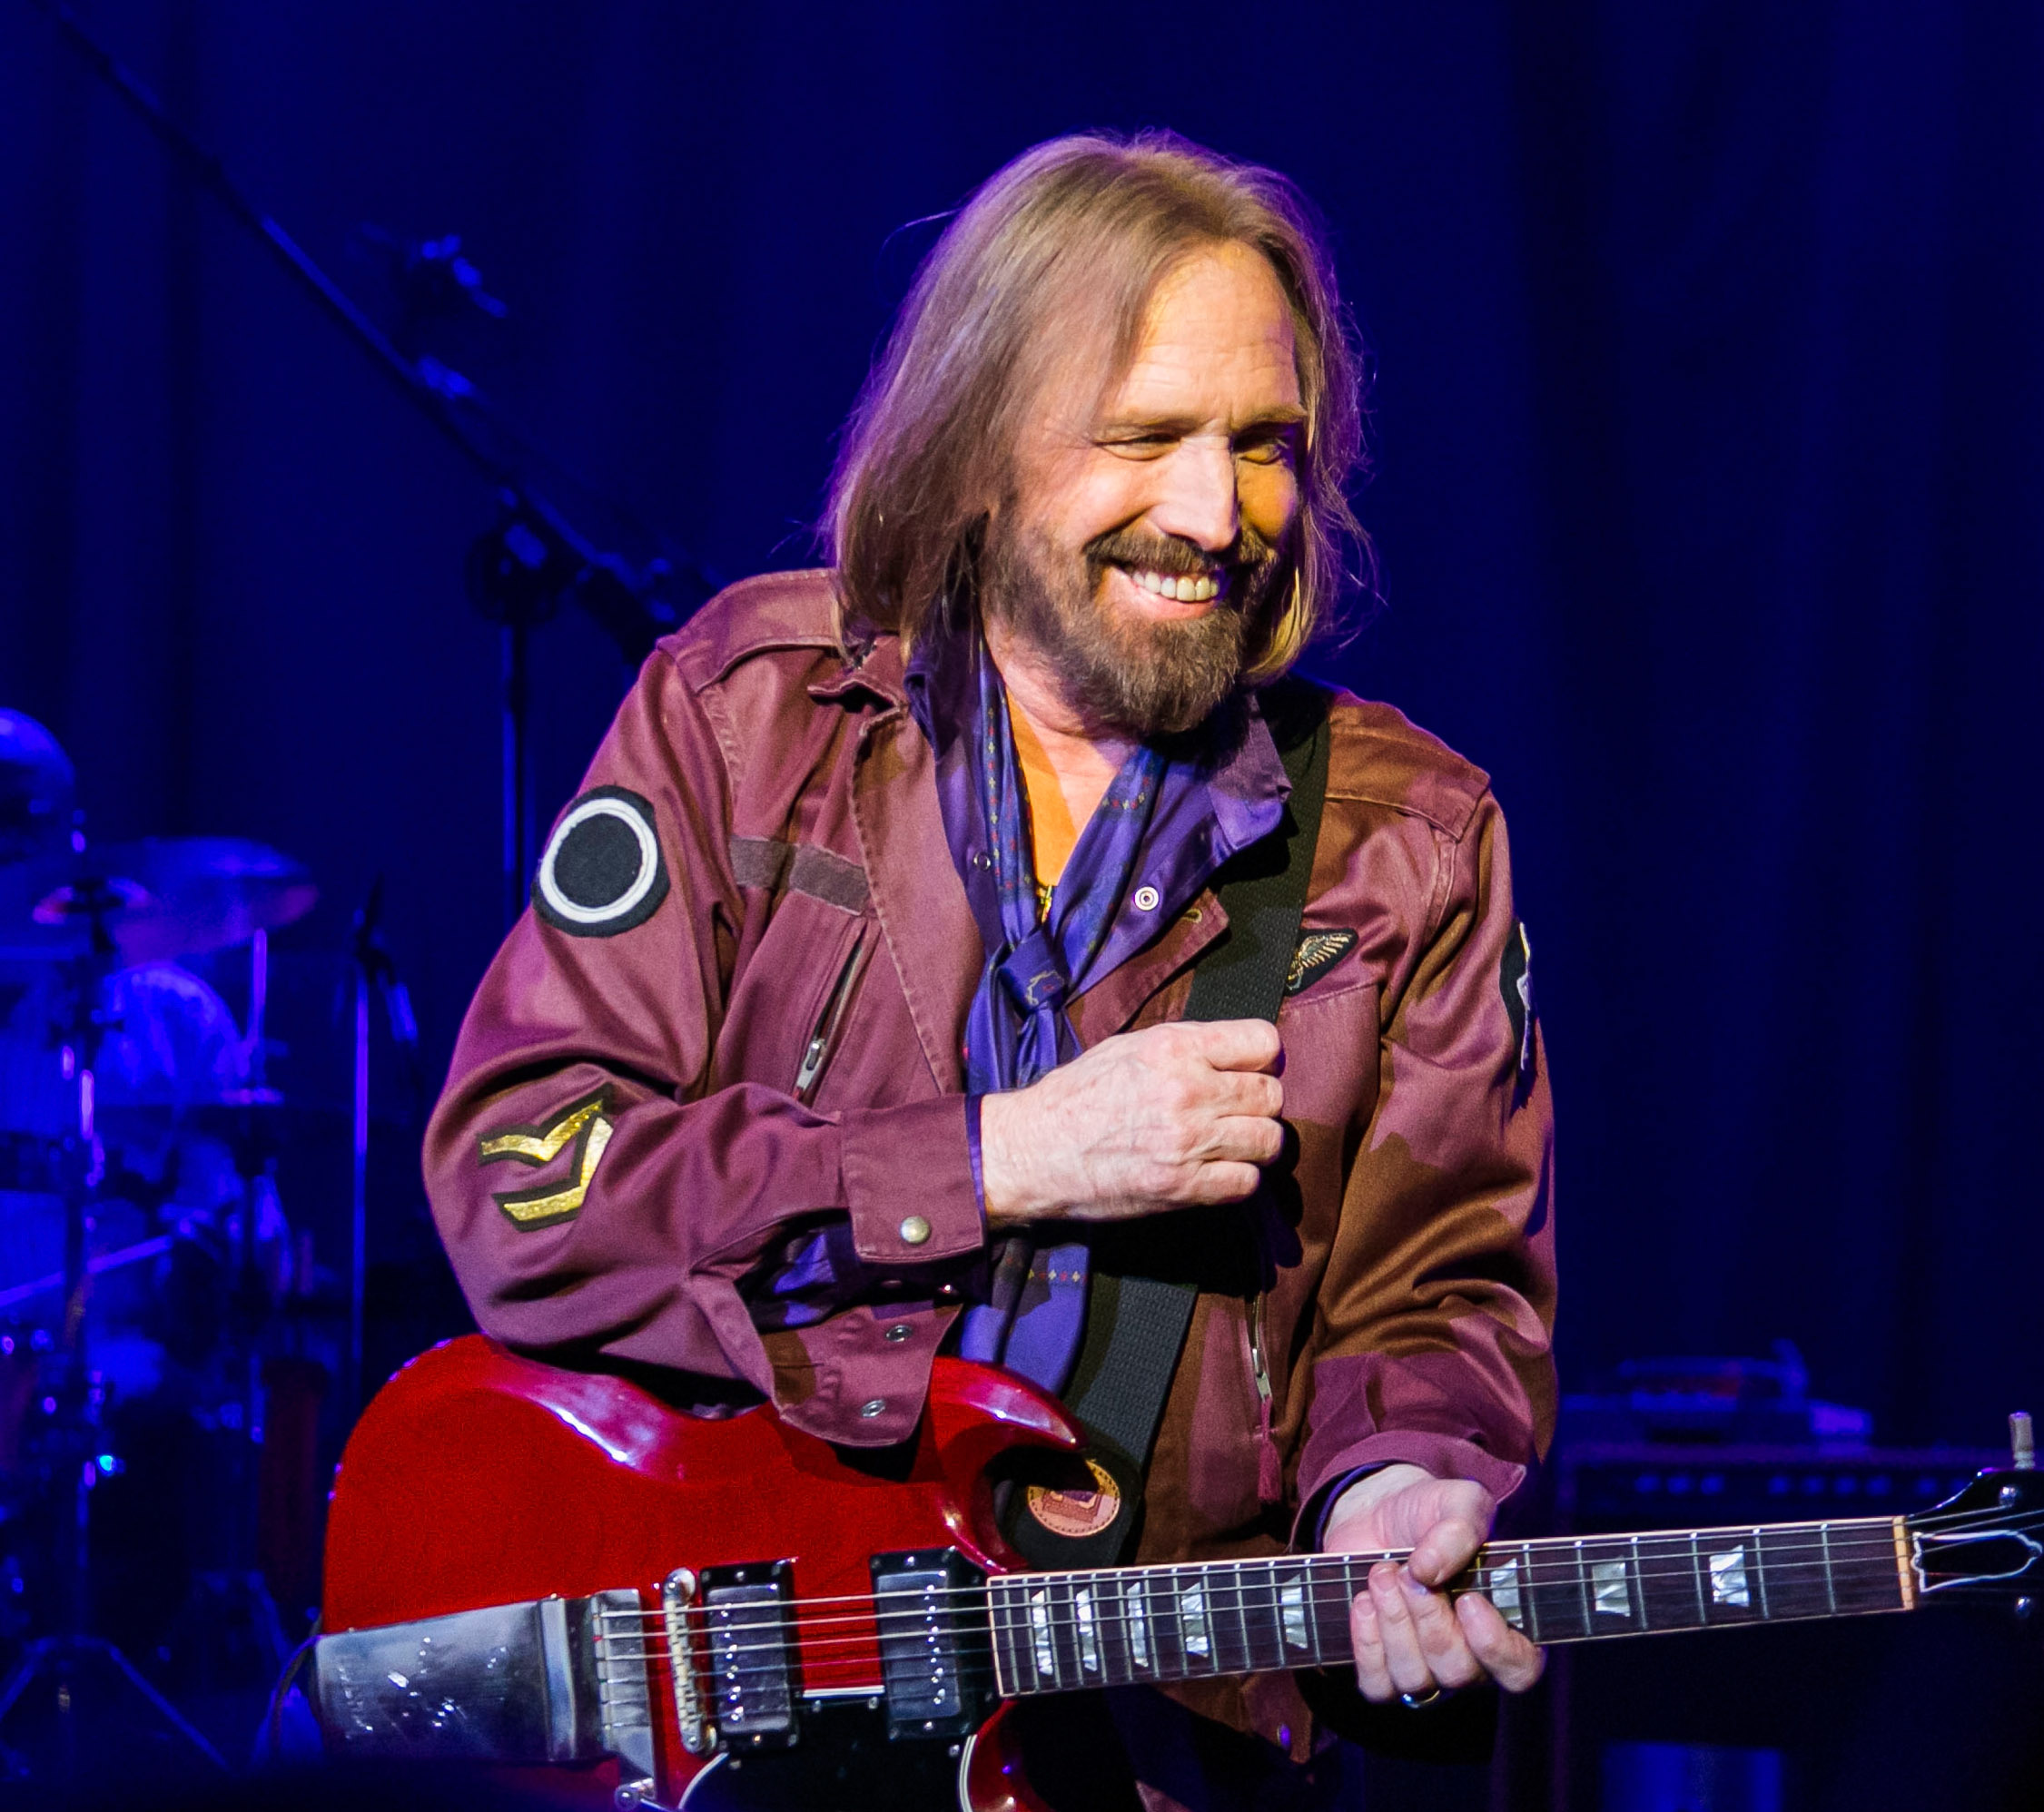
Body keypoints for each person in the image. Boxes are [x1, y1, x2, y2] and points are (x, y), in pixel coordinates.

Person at [422, 133, 1555, 1801]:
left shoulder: (1411, 840)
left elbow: (1437, 1294)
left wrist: (1392, 1480)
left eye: (1260, 446)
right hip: (726, 1734)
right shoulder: (745, 715)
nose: (1211, 511)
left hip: (1145, 1750)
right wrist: (996, 1158)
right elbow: (525, 1184)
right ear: (977, 447)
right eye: (1145, 438)